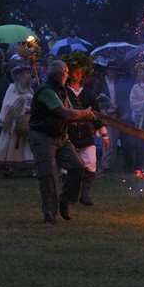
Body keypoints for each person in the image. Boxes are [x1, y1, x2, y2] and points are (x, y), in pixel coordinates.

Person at [29, 60, 95, 224]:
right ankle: (50, 213)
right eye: (66, 72)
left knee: (78, 166)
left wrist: (89, 121)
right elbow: (65, 114)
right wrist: (85, 114)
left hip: (61, 137)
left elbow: (71, 116)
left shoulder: (62, 91)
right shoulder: (46, 91)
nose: (68, 75)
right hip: (43, 137)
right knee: (49, 175)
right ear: (60, 73)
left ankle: (65, 200)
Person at [65, 60, 108, 205]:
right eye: (74, 71)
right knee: (69, 166)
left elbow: (96, 116)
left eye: (80, 72)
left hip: (85, 134)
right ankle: (68, 194)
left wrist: (104, 135)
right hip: (68, 134)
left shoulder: (88, 95)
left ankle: (84, 196)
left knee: (90, 161)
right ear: (68, 73)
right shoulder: (63, 93)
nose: (77, 75)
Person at [0, 65, 35, 177]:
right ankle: (8, 166)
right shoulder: (12, 88)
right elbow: (8, 104)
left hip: (26, 122)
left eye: (29, 73)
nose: (29, 76)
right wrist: (23, 108)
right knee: (11, 144)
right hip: (14, 122)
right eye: (26, 73)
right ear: (19, 76)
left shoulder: (30, 90)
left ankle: (30, 167)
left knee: (27, 144)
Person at [92, 61, 121, 172]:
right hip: (105, 114)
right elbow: (95, 98)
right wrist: (102, 108)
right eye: (111, 70)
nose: (112, 72)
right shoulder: (100, 83)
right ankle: (105, 165)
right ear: (107, 70)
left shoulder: (118, 83)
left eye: (114, 70)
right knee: (108, 139)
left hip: (116, 113)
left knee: (114, 140)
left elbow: (122, 97)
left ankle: (110, 164)